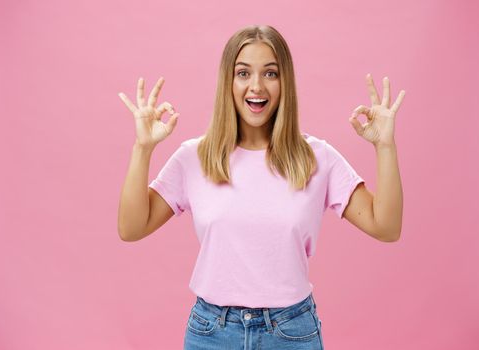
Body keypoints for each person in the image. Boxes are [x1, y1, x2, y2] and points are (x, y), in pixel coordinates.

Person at [117, 24, 405, 350]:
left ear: (285, 84)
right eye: (243, 73)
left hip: (292, 332)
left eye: (270, 73)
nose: (256, 86)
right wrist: (143, 149)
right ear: (228, 81)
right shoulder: (194, 157)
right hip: (212, 333)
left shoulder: (317, 158)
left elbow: (386, 226)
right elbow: (131, 227)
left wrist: (385, 147)